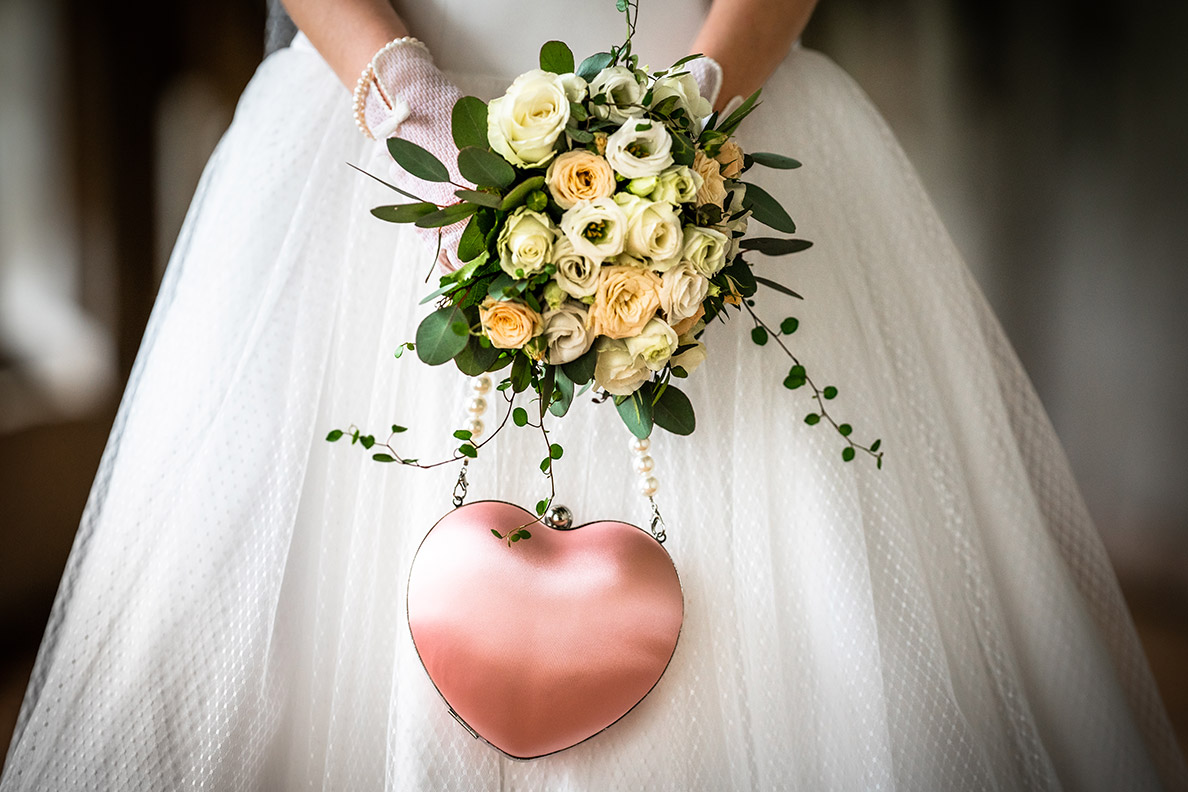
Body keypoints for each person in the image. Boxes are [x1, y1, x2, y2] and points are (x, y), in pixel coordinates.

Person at [3, 0, 1186, 788]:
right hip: (373, 131)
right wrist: (401, 90)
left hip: (719, 108)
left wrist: (700, 103)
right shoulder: (385, 121)